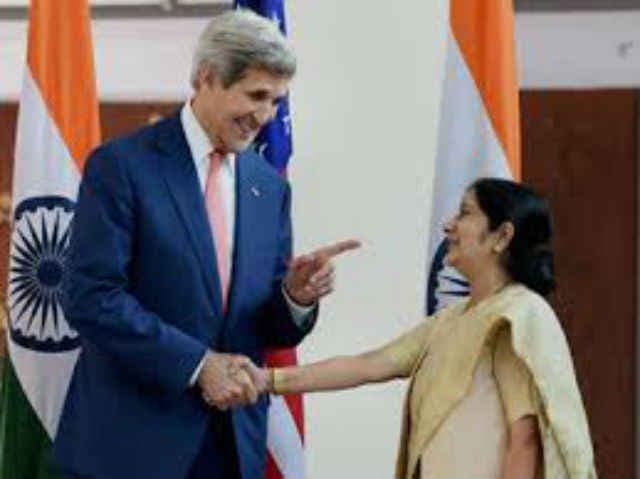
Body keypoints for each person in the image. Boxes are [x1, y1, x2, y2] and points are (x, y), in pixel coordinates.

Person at [52, 10, 359, 479]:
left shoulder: (268, 186)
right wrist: (197, 366)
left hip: (232, 448)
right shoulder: (123, 166)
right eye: (256, 96)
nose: (266, 117)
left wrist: (295, 297)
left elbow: (265, 329)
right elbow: (92, 297)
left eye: (277, 101)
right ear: (207, 77)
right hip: (132, 448)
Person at [247, 178, 597, 479]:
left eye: (465, 213)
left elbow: (526, 439)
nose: (449, 226)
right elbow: (367, 366)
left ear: (502, 236)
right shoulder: (450, 320)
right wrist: (267, 380)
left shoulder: (518, 315)